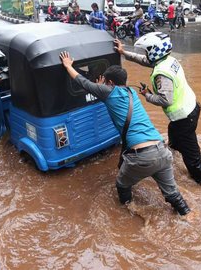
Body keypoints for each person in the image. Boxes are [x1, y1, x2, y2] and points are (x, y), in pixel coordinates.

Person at [58, 51, 191, 216]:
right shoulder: (132, 93)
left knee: (121, 184)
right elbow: (112, 98)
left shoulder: (107, 92)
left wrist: (68, 65)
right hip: (162, 150)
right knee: (172, 194)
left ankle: (128, 213)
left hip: (141, 156)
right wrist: (102, 86)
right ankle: (187, 215)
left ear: (110, 82)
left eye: (106, 82)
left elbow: (82, 81)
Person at [114, 33, 201, 186]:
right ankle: (173, 155)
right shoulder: (169, 60)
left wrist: (147, 95)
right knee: (173, 139)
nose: (145, 55)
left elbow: (165, 100)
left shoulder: (162, 73)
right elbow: (145, 61)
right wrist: (124, 53)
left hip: (184, 117)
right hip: (192, 107)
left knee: (191, 155)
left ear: (154, 51)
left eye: (147, 51)